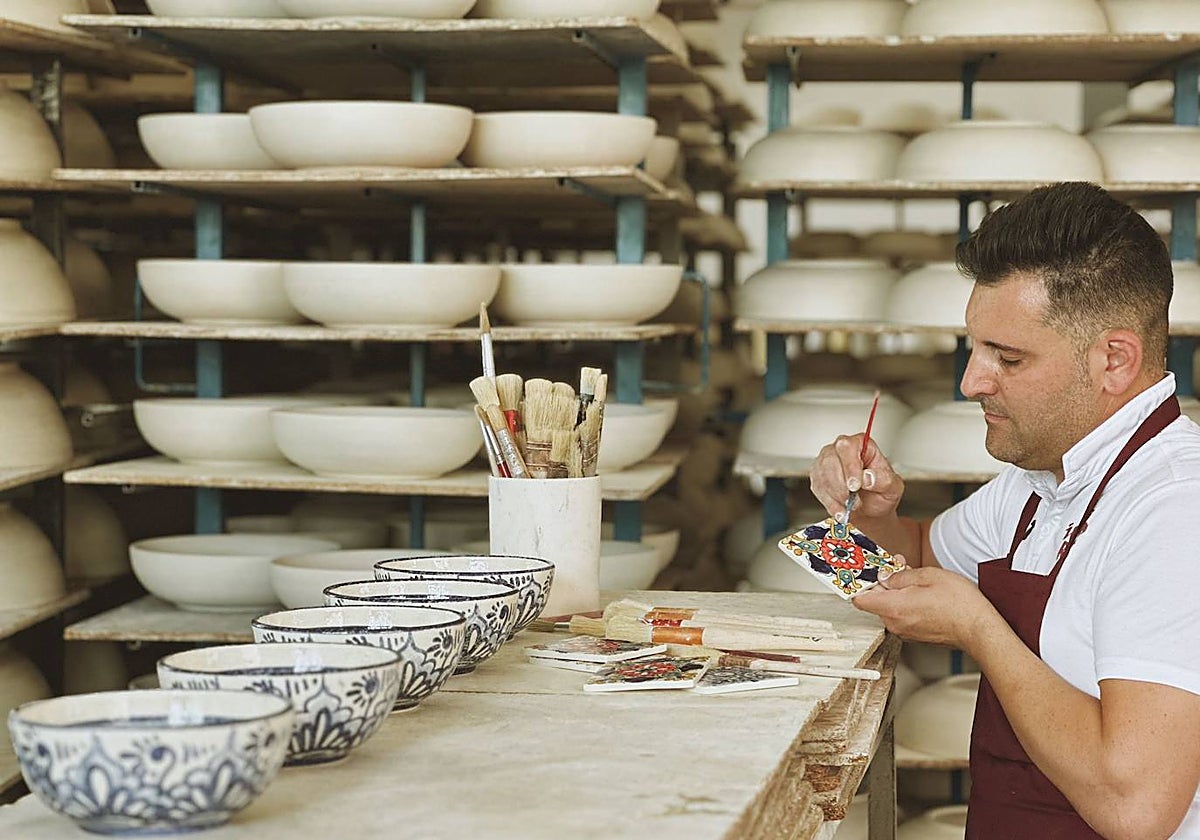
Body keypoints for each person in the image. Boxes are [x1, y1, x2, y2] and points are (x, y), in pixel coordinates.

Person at [809, 182, 1200, 839]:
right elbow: (905, 564)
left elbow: (1138, 809)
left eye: (1007, 358)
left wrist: (978, 629)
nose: (971, 382)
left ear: (1114, 359)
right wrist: (867, 518)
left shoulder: (1173, 511)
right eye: (975, 347)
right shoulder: (1039, 481)